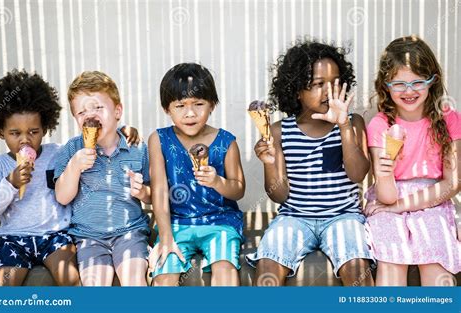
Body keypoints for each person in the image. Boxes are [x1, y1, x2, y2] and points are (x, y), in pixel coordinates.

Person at [246, 39, 375, 286]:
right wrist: (270, 162)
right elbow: (279, 195)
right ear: (296, 90)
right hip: (294, 217)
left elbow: (358, 174)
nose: (329, 90)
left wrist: (344, 126)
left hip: (343, 217)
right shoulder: (279, 131)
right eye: (318, 84)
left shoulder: (353, 123)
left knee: (357, 266)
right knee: (268, 265)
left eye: (335, 83)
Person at [364, 35, 461, 286]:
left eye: (418, 82)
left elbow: (452, 184)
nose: (409, 91)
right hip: (390, 200)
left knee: (437, 268)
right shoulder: (380, 125)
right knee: (390, 264)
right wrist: (385, 172)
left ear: (433, 81)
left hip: (433, 200)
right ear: (386, 85)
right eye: (399, 84)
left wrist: (400, 206)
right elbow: (386, 197)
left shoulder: (449, 119)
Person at [149, 63, 245, 286]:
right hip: (176, 223)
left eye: (199, 104)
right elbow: (160, 190)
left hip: (220, 221)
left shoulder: (226, 142)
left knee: (225, 270)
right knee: (164, 275)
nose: (190, 113)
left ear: (212, 105)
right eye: (180, 105)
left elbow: (238, 189)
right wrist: (165, 237)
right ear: (167, 109)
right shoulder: (159, 139)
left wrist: (217, 182)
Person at [54, 71, 151, 286]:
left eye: (98, 107)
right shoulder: (71, 149)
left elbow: (153, 194)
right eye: (81, 112)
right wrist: (74, 167)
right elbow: (62, 196)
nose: (90, 115)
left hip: (130, 232)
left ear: (118, 111)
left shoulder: (137, 148)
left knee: (135, 281)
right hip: (89, 237)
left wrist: (143, 192)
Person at [0, 70, 80, 286]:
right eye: (14, 133)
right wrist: (10, 184)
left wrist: (124, 131)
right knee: (5, 288)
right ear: (1, 132)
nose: (24, 140)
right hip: (13, 239)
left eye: (33, 132)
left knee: (71, 281)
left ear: (45, 128)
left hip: (55, 235)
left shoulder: (57, 153)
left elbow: (87, 146)